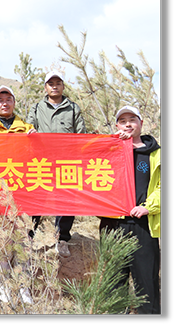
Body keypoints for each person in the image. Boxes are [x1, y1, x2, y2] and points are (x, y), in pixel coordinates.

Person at [0, 85, 37, 304]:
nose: (4, 103)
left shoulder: (27, 128)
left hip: (21, 192)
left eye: (8, 99)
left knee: (23, 241)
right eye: (0, 99)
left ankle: (23, 286)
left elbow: (37, 158)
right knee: (1, 239)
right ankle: (3, 284)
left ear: (13, 102)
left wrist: (36, 141)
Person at [100, 105, 160, 314]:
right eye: (122, 121)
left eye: (132, 120)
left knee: (147, 281)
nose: (128, 124)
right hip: (112, 224)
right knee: (114, 280)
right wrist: (112, 143)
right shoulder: (107, 151)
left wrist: (148, 207)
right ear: (117, 125)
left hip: (143, 225)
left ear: (141, 123)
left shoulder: (155, 153)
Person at [25, 71, 86, 256]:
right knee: (36, 200)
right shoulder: (37, 108)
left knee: (66, 201)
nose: (54, 86)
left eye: (58, 83)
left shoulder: (73, 108)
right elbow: (28, 128)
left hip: (66, 163)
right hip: (42, 163)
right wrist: (31, 132)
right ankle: (28, 239)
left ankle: (62, 239)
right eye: (50, 83)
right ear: (45, 87)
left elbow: (81, 135)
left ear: (63, 86)